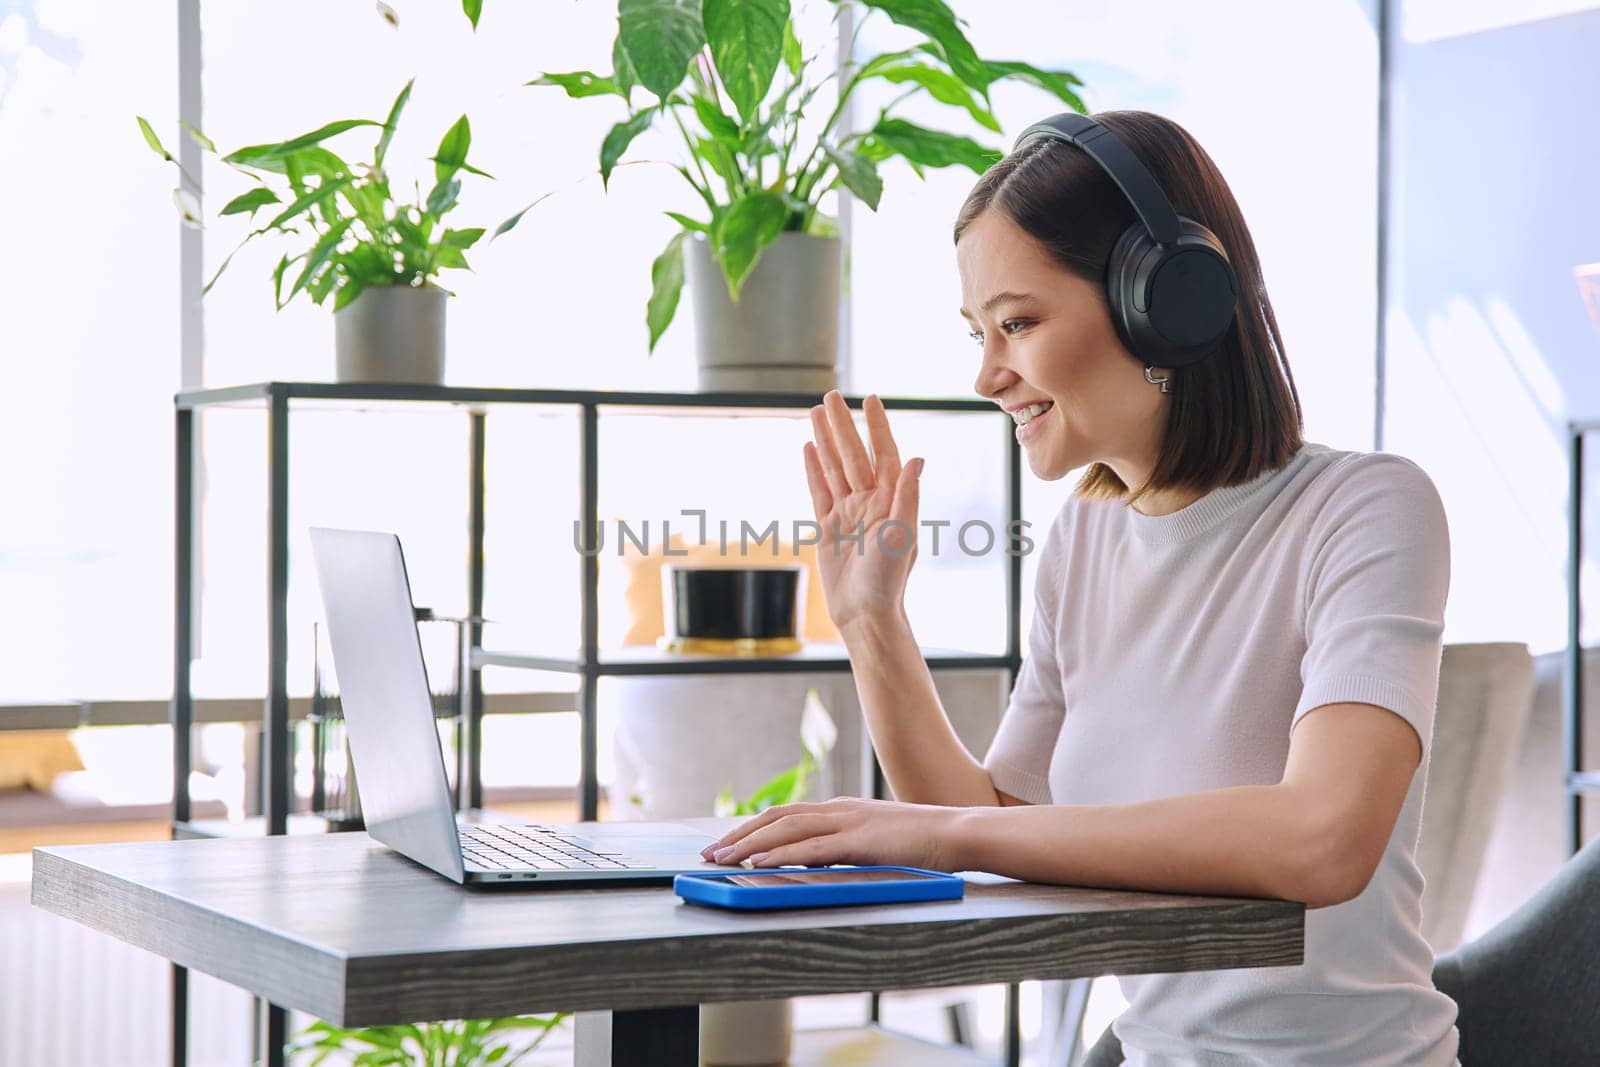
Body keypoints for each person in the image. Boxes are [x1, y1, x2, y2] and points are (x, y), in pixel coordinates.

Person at [699, 110, 1459, 1065]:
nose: (987, 374)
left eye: (1015, 323)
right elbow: (1000, 822)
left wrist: (948, 833)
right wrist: (872, 621)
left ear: (1170, 300)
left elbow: (1324, 837)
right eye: (979, 332)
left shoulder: (1365, 507)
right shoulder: (1084, 541)